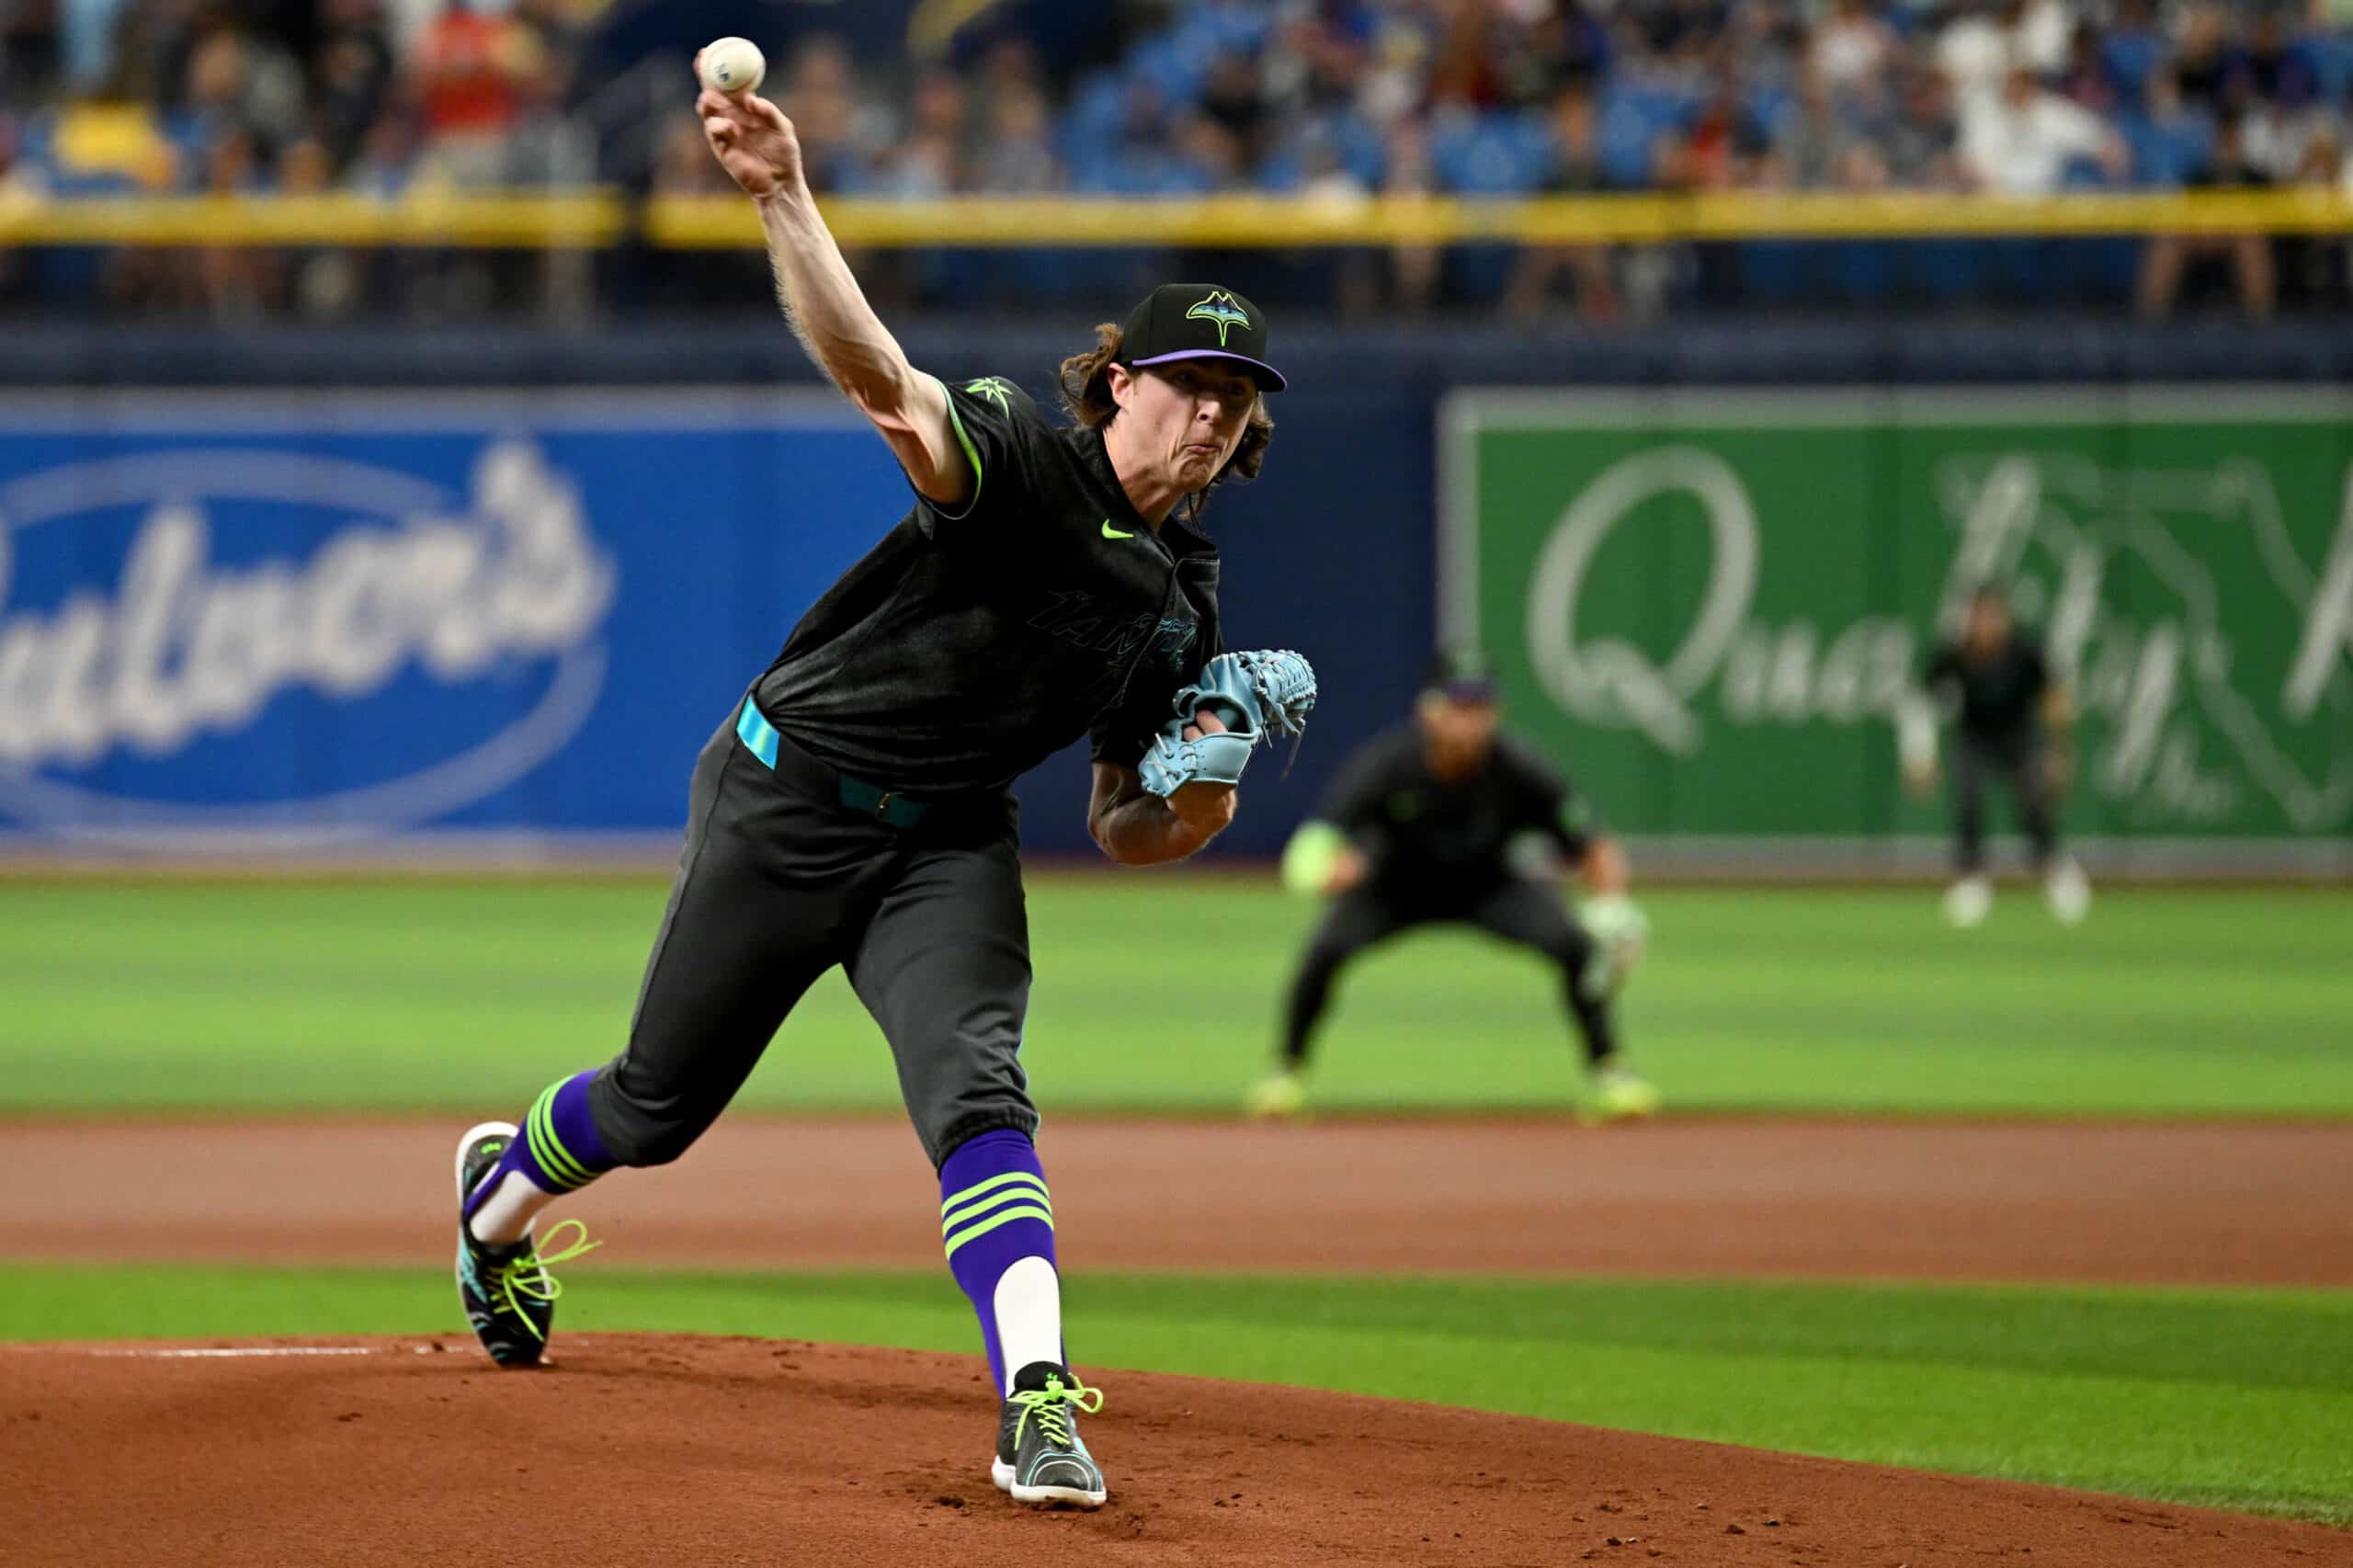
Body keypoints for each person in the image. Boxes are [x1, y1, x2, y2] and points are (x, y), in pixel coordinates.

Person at [448, 55, 1295, 1515]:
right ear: (1117, 385)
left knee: (982, 1094)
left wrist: (1205, 794)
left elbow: (1125, 824)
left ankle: (1037, 1401)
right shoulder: (1029, 457)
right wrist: (781, 192)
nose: (1211, 414)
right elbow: (879, 379)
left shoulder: (1183, 603)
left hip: (947, 841)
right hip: (788, 795)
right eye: (1187, 383)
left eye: (1236, 395)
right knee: (654, 1108)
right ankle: (497, 1202)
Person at [1247, 651, 1659, 1125]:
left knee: (1573, 946)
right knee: (1325, 951)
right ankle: (1285, 1073)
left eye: (1480, 706)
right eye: (1459, 705)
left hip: (1490, 884)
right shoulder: (1390, 764)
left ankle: (1611, 1073)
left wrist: (1613, 903)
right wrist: (1322, 872)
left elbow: (1594, 844)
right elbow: (1315, 840)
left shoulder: (1517, 766)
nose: (1471, 720)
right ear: (1430, 710)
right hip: (1396, 885)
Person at [1902, 585, 2089, 926]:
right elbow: (1921, 701)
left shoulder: (2025, 652)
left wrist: (2060, 750)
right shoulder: (1955, 655)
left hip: (2020, 737)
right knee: (1969, 797)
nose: (1984, 624)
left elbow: (2055, 698)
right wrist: (1919, 756)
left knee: (2034, 802)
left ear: (2004, 618)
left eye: (1991, 616)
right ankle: (1971, 880)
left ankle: (2054, 868)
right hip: (1974, 738)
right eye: (1978, 616)